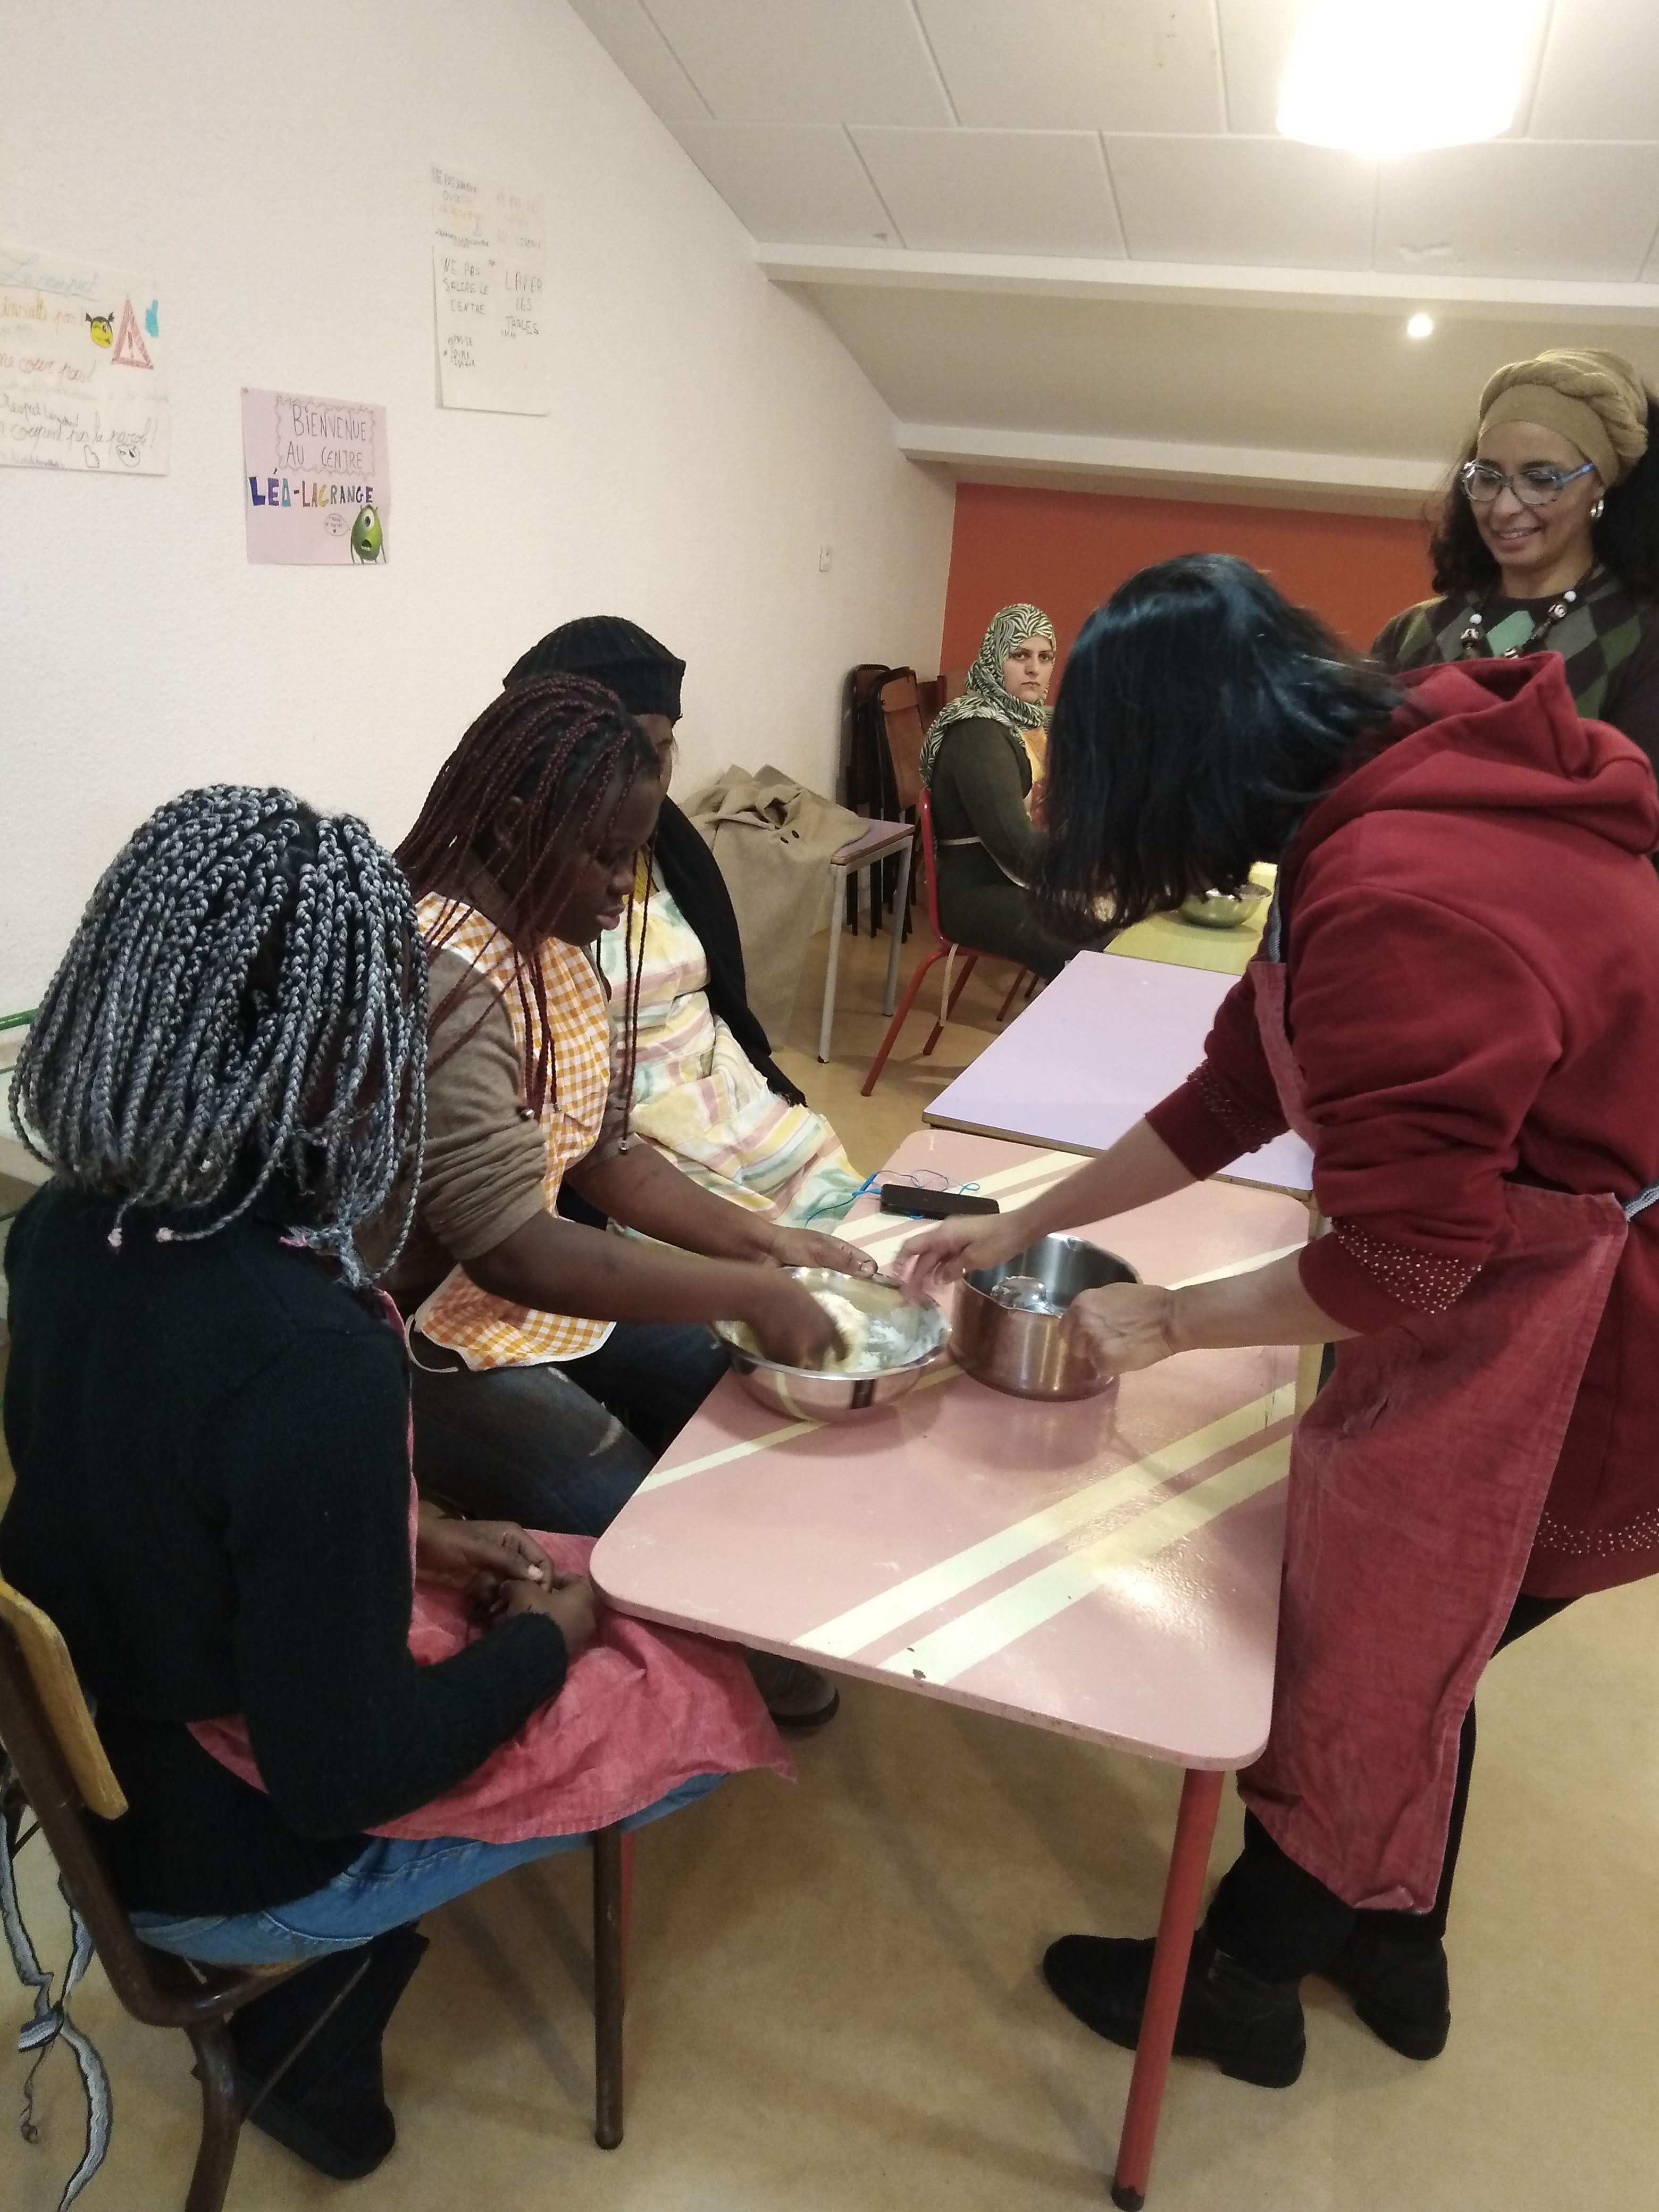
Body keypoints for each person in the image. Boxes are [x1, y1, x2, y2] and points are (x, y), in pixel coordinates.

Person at [903, 555, 1659, 2088]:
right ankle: (1399, 1953)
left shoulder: (1401, 892)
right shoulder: (1393, 785)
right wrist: (1031, 1217)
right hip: (1530, 1294)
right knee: (1433, 1652)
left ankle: (1245, 1982)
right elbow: (1243, 1084)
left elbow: (1411, 1263)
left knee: (1367, 1653)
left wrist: (1168, 1323)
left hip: (1595, 1352)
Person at [0, 787, 786, 2184]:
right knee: (688, 1678)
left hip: (100, 1784)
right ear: (349, 1044)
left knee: (552, 1570)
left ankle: (327, 2013)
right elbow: (341, 1772)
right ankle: (319, 1979)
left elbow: (158, 1488)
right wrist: (561, 1635)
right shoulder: (314, 1358)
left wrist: (409, 1532)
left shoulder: (63, 1231)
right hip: (229, 1869)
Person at [388, 675, 863, 1723]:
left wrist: (766, 1240)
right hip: (404, 1338)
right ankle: (700, 1644)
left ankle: (735, 1607)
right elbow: (511, 1246)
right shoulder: (448, 975)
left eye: (633, 857)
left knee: (723, 1384)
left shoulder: (558, 947)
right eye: (605, 855)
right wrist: (741, 1284)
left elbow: (605, 1159)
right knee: (626, 1504)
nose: (622, 888)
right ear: (516, 825)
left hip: (497, 1290)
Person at [503, 617, 862, 1229]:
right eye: (631, 752)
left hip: (722, 1090)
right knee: (762, 1273)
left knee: (853, 1225)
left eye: (663, 747)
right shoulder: (508, 909)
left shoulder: (676, 852)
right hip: (623, 1130)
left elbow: (719, 998)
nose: (654, 774)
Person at [1375, 347, 1659, 766]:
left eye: (1541, 479)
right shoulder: (1411, 633)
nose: (1504, 507)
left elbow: (1637, 815)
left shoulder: (1642, 636)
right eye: (1487, 477)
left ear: (1600, 483)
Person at [919, 602, 1083, 980]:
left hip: (1017, 880)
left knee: (1124, 922)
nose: (1034, 669)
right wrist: (1094, 871)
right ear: (995, 659)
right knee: (1095, 942)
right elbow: (1016, 845)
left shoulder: (1029, 718)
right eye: (1020, 655)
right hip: (976, 892)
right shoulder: (978, 730)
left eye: (1045, 657)